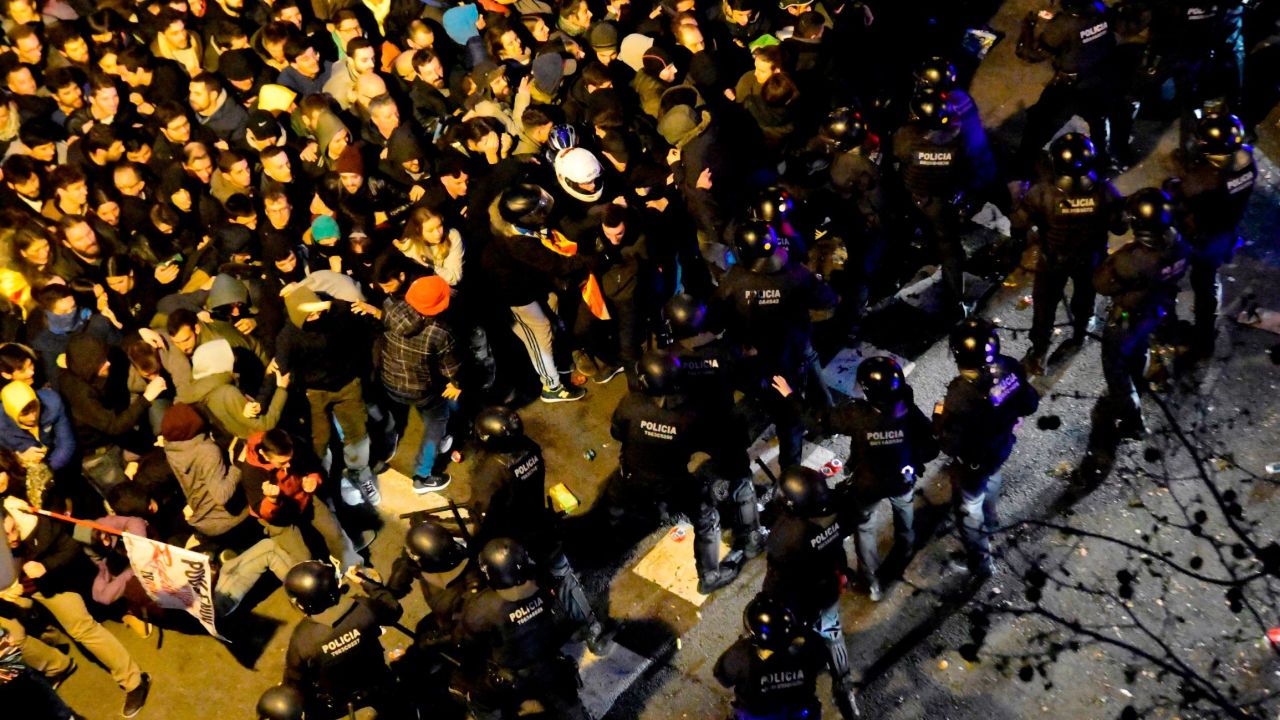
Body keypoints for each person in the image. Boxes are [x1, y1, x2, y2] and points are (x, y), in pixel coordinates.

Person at [469, 406, 613, 653]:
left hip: (512, 542)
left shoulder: (490, 472)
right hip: (540, 525)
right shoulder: (530, 448)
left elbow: (483, 514)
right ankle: (592, 627)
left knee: (513, 594)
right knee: (564, 576)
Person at [2, 498, 152, 717]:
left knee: (82, 628)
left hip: (54, 583)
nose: (13, 538)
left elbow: (71, 544)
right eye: (5, 537)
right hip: (16, 590)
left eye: (13, 529)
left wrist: (45, 566)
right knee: (12, 638)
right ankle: (57, 666)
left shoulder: (36, 524)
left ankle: (135, 680)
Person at [610, 350, 744, 593]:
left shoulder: (630, 403)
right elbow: (706, 445)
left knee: (624, 503)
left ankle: (626, 523)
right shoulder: (690, 415)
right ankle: (710, 576)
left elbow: (617, 433)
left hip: (631, 476)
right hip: (673, 483)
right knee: (707, 518)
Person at [716, 220, 836, 469]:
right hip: (790, 361)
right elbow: (827, 300)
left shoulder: (733, 281)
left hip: (752, 363)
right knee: (790, 421)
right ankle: (790, 474)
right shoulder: (796, 275)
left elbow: (715, 319)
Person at [1011, 132, 1127, 375]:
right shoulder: (1104, 192)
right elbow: (1120, 226)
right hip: (1090, 258)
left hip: (1053, 260)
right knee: (1085, 298)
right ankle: (1080, 333)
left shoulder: (1043, 193)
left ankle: (1040, 354)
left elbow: (1019, 224)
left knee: (1044, 307)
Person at [933, 319, 1040, 577]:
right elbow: (1030, 404)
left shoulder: (960, 395)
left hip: (973, 461)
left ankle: (981, 563)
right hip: (1001, 446)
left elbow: (950, 445)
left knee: (969, 509)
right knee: (991, 479)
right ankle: (990, 522)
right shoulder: (1010, 367)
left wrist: (938, 418)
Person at [828, 356, 938, 600]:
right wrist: (911, 459)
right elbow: (932, 448)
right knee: (904, 514)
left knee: (865, 527)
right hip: (902, 480)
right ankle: (905, 551)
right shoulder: (908, 412)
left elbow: (821, 421)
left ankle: (871, 584)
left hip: (866, 485)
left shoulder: (856, 414)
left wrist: (789, 396)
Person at [1094, 189, 1191, 438]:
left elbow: (1101, 284)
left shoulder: (1132, 259)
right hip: (1156, 310)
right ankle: (1138, 381)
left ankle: (1133, 421)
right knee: (1139, 350)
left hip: (1126, 320)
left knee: (1116, 370)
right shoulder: (1178, 242)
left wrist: (1113, 259)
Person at [458, 537, 590, 720]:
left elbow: (467, 645)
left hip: (509, 677)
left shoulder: (481, 609)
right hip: (550, 665)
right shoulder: (544, 579)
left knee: (481, 703)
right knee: (571, 707)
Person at [764, 467, 860, 718]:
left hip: (797, 600)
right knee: (832, 633)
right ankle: (844, 685)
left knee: (789, 645)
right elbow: (849, 521)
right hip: (828, 587)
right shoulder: (837, 509)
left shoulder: (784, 538)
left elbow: (776, 579)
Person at [1163, 113, 1257, 358]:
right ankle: (1205, 339)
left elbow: (1175, 190)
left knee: (1171, 276)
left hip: (1198, 236)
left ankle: (1167, 325)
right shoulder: (1247, 161)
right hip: (1224, 233)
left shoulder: (1205, 179)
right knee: (1206, 287)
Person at [282, 560, 408, 719]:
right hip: (379, 682)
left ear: (301, 604)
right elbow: (393, 610)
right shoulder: (363, 607)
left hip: (339, 701)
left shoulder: (302, 639)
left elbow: (294, 683)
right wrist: (365, 582)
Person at [891, 90, 975, 315]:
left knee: (942, 243)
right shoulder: (958, 137)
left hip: (919, 196)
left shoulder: (906, 138)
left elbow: (899, 157)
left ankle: (952, 296)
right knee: (948, 244)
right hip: (942, 198)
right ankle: (956, 295)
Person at [378, 275, 462, 494]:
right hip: (422, 389)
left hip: (389, 379)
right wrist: (457, 384)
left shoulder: (390, 308)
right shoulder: (440, 332)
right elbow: (450, 369)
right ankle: (423, 476)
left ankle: (386, 448)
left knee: (402, 413)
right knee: (437, 420)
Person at [237, 429, 365, 570]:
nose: (289, 466)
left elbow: (313, 465)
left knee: (334, 534)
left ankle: (353, 569)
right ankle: (317, 584)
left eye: (290, 460)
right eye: (283, 463)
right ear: (264, 455)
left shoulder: (292, 444)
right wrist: (272, 501)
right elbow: (261, 511)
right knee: (303, 558)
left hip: (302, 496)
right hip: (279, 516)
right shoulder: (251, 473)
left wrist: (313, 479)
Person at [714, 593, 846, 720]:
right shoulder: (810, 644)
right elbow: (822, 662)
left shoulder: (742, 653)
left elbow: (722, 676)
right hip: (801, 714)